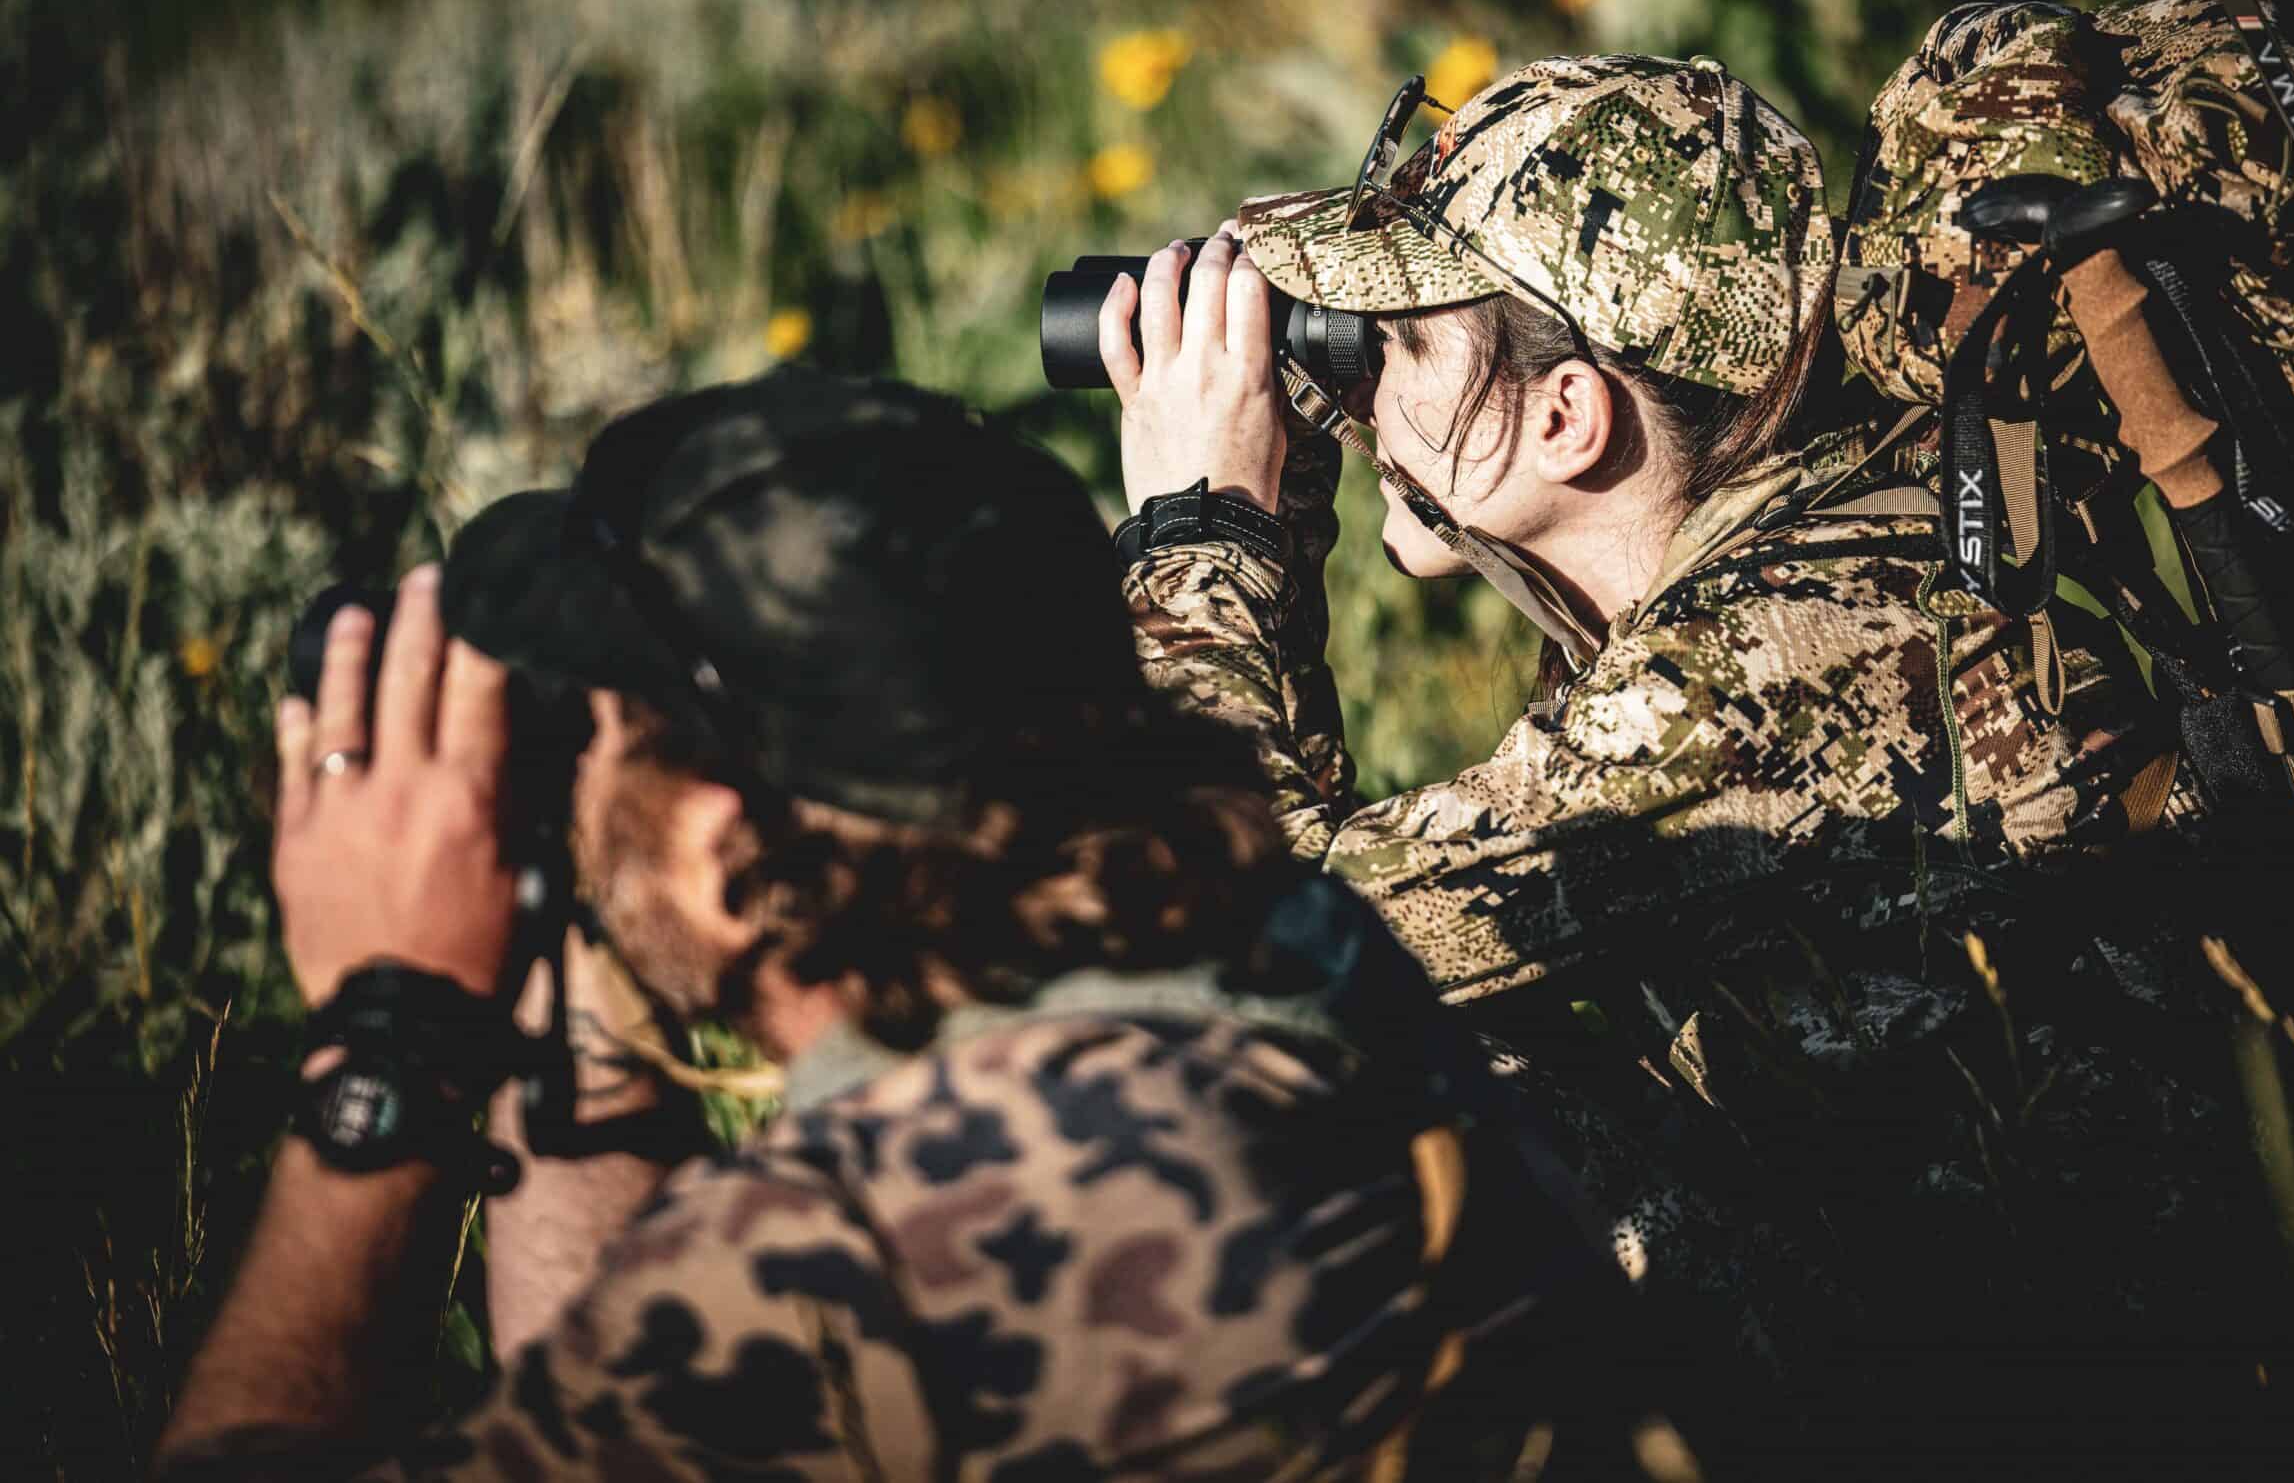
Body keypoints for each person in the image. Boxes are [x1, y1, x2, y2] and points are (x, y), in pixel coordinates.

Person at [154, 369, 1666, 1481]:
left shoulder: (871, 1252)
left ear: (723, 850)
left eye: (600, 726)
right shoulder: (1297, 959)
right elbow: (607, 1392)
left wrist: (393, 1044)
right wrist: (586, 949)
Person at [1101, 58, 2280, 1458]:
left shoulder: (1760, 671)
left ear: (1565, 419)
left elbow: (1234, 938)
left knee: (1345, 1097)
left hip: (2077, 1411)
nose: (1343, 380)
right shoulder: (1836, 533)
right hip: (2008, 1323)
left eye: (1391, 339)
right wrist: (1280, 521)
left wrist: (1201, 529)